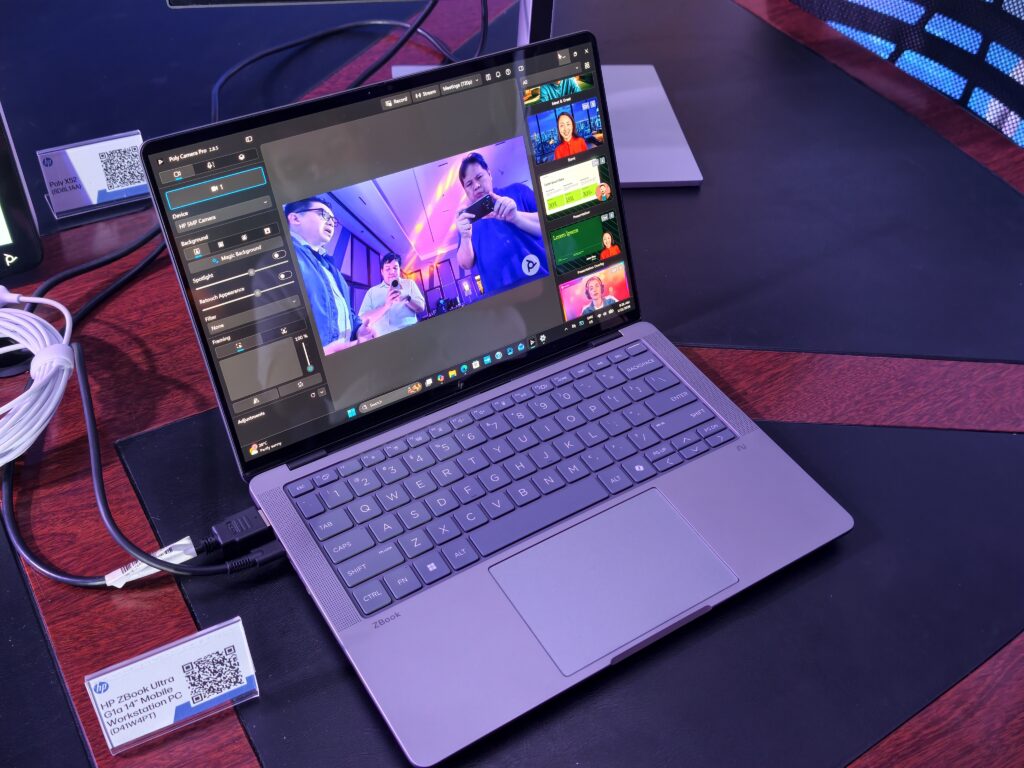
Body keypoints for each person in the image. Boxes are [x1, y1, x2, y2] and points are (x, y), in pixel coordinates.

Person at [455, 152, 549, 294]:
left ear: (489, 174)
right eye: (469, 184)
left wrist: (516, 217)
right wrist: (465, 237)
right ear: (465, 190)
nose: (476, 186)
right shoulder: (467, 220)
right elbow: (465, 264)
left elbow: (548, 224)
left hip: (541, 280)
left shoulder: (518, 191)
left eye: (479, 177)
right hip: (501, 296)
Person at [285, 196, 360, 354]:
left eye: (333, 220)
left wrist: (359, 329)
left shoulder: (331, 266)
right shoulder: (284, 258)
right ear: (295, 218)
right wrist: (319, 355)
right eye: (323, 215)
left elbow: (347, 310)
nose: (331, 223)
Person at [358, 252, 426, 339]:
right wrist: (386, 306)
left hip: (411, 335)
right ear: (382, 271)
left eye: (395, 268)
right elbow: (362, 319)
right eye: (387, 269)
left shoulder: (409, 283)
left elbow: (421, 308)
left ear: (399, 269)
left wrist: (407, 298)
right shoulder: (371, 292)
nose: (392, 272)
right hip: (382, 340)